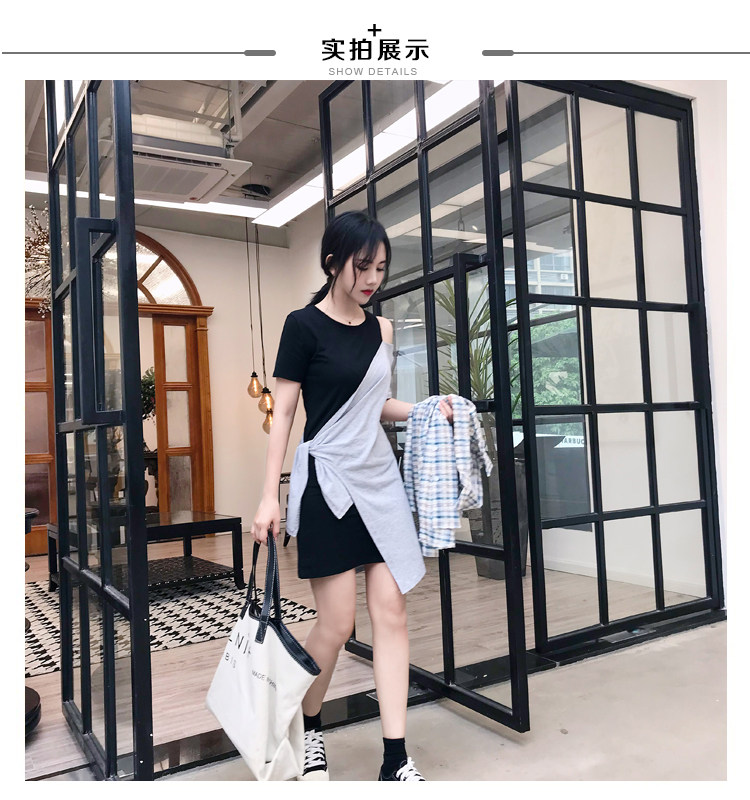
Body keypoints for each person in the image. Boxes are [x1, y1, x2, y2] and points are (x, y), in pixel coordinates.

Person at [250, 210, 453, 782]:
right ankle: (309, 723)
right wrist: (269, 496)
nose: (372, 279)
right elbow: (284, 414)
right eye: (363, 267)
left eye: (381, 268)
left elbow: (374, 405)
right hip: (328, 483)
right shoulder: (302, 326)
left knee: (392, 614)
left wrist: (423, 409)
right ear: (333, 263)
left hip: (379, 482)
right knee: (337, 624)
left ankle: (395, 758)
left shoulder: (381, 330)